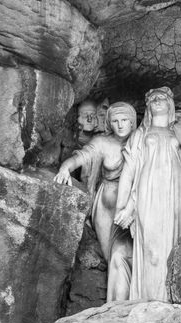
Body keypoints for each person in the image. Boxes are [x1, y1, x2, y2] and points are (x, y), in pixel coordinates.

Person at [54, 102, 137, 302]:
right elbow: (81, 156)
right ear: (108, 122)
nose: (120, 125)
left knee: (130, 254)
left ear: (133, 122)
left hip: (135, 205)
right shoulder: (102, 142)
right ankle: (116, 304)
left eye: (124, 120)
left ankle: (131, 299)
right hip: (106, 207)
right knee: (112, 257)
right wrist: (65, 168)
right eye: (115, 121)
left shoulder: (142, 141)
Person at [114, 87, 181, 302]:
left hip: (176, 190)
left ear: (170, 104)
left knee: (176, 246)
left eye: (162, 98)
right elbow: (129, 170)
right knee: (151, 247)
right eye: (152, 99)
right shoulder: (141, 134)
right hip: (148, 190)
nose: (157, 101)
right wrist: (124, 206)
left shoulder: (178, 130)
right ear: (147, 106)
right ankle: (150, 300)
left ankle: (173, 299)